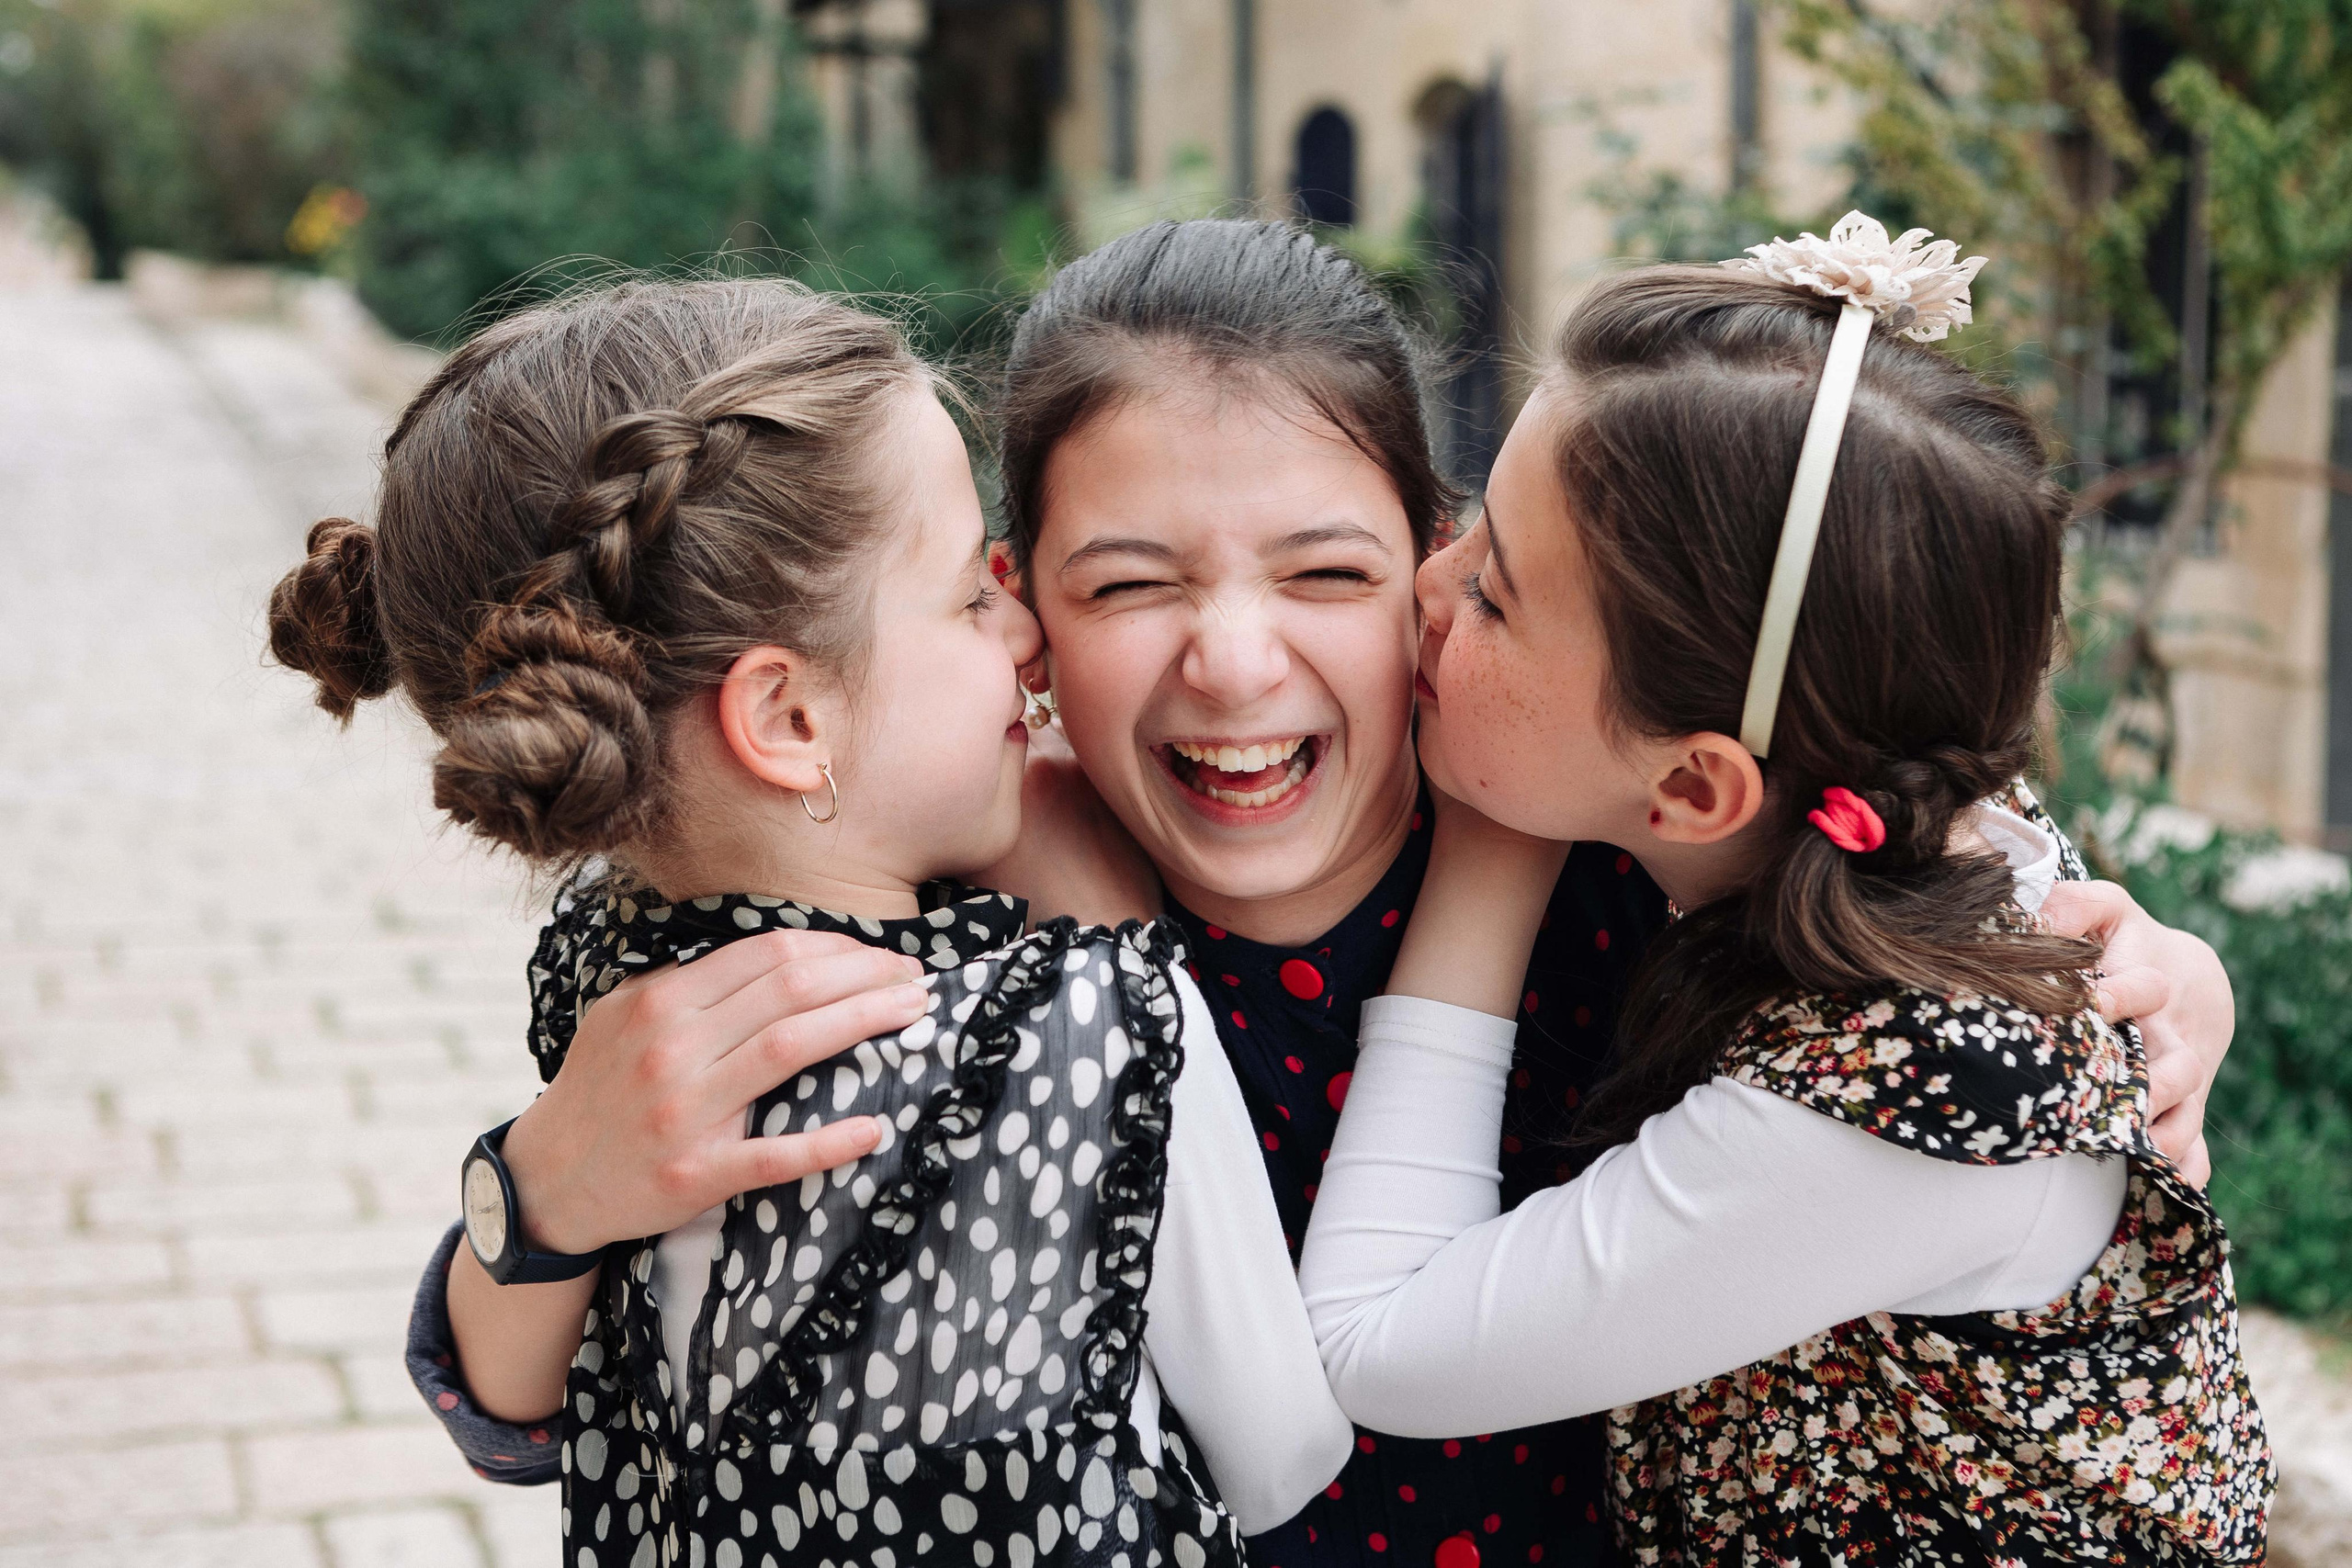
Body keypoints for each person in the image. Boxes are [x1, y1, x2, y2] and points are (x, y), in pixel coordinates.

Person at [514, 220, 2241, 1568]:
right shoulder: (918, 931)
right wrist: (535, 1208)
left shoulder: (1635, 875)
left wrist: (2144, 957)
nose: (1236, 658)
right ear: (1013, 608)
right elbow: (584, 1414)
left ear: (1433, 566)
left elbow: (1899, 833)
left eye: (1333, 570)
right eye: (1125, 584)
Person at [267, 277, 1351, 1568]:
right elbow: (1284, 1452)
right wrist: (1123, 953)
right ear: (788, 721)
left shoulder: (609, 975)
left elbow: (536, 1411)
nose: (1024, 631)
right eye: (966, 597)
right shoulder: (1085, 1029)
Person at [1296, 225, 2271, 1563]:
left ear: (1697, 791)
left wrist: (1486, 845)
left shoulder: (1911, 1105)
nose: (1429, 582)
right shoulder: (1898, 818)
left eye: (1499, 594)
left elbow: (1369, 1344)